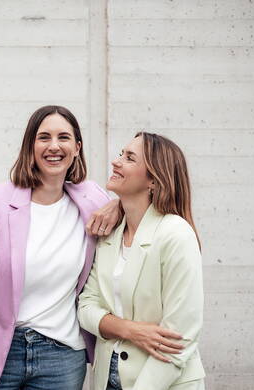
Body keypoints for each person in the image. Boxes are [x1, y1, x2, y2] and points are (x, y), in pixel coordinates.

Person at [0, 106, 181, 390]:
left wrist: (115, 205)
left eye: (64, 137)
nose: (54, 146)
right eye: (44, 137)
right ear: (30, 146)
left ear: (76, 147)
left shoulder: (93, 199)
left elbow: (136, 202)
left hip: (61, 357)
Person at [78, 132, 205, 390]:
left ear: (153, 181)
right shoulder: (110, 233)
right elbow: (86, 307)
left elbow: (179, 339)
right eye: (121, 154)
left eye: (130, 158)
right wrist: (128, 330)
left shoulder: (176, 234)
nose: (116, 161)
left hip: (163, 382)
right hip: (107, 378)